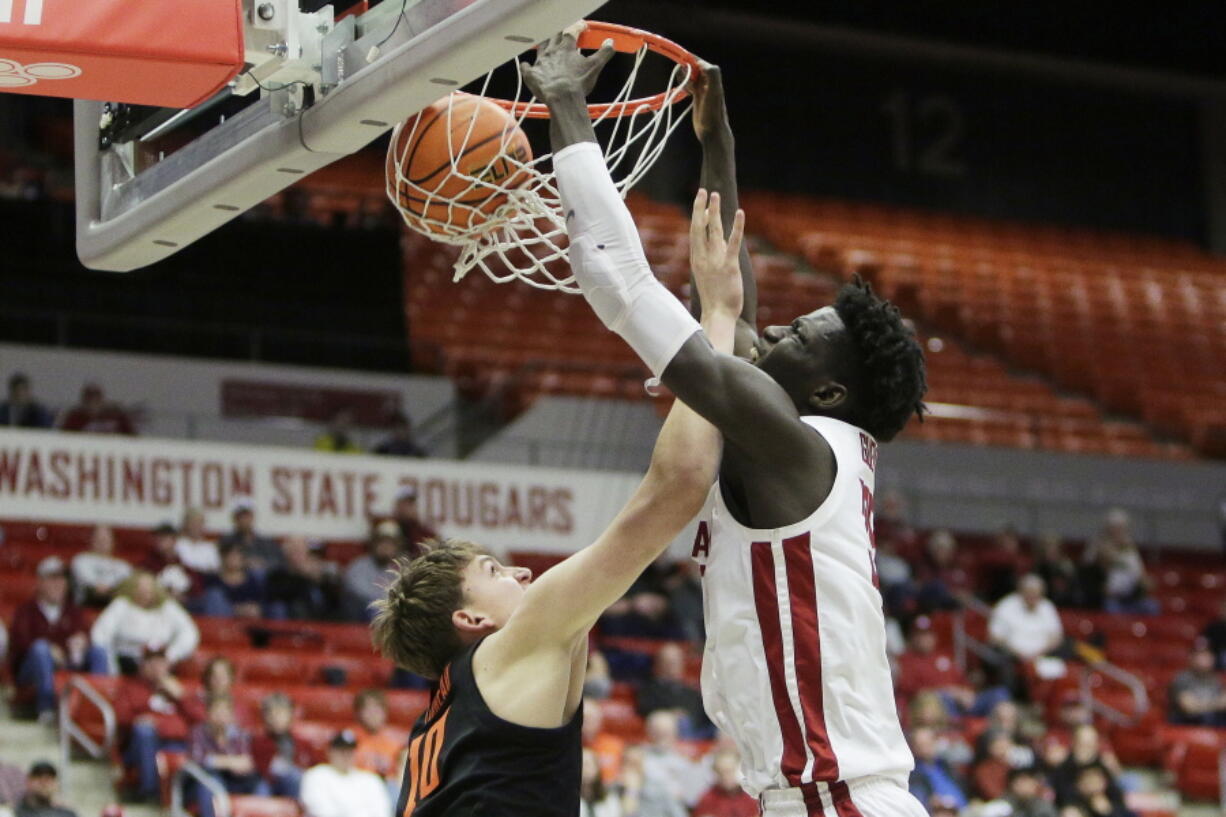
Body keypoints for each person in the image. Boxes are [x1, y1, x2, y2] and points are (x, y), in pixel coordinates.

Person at [526, 30, 927, 816]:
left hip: (834, 801)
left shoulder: (795, 447)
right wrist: (719, 149)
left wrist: (567, 104)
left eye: (798, 338)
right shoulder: (811, 442)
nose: (773, 333)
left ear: (832, 390)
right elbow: (734, 319)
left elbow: (622, 283)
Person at [371, 47, 736, 810]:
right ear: (473, 619)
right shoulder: (514, 647)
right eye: (500, 573)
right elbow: (674, 490)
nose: (526, 576)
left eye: (507, 568)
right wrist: (715, 326)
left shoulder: (439, 729)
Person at [8, 557, 108, 720]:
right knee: (41, 649)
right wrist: (50, 649)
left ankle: (95, 707)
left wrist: (82, 642)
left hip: (68, 664)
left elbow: (86, 636)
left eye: (61, 579)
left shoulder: (74, 611)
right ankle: (46, 709)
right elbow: (19, 646)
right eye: (52, 579)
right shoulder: (26, 610)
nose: (58, 584)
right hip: (32, 670)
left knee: (98, 652)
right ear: (40, 582)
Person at [113, 646, 204, 801]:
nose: (156, 667)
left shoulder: (179, 688)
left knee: (200, 740)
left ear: (168, 665)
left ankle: (187, 797)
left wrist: (180, 696)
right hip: (141, 746)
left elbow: (201, 718)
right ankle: (150, 793)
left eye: (161, 662)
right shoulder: (129, 687)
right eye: (151, 662)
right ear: (142, 665)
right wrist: (138, 719)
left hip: (179, 742)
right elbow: (121, 717)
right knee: (144, 731)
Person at [90, 571, 200, 674]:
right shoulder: (121, 605)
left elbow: (189, 633)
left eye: (149, 588)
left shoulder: (168, 608)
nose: (145, 592)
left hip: (159, 662)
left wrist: (171, 655)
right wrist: (111, 665)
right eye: (141, 588)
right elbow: (100, 634)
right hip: (124, 660)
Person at [188, 695, 265, 817]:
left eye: (225, 711)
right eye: (217, 710)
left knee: (261, 785)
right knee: (211, 782)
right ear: (208, 713)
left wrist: (237, 764)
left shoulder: (239, 734)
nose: (221, 715)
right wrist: (228, 762)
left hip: (235, 780)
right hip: (205, 781)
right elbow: (198, 760)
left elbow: (246, 761)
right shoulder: (198, 732)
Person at [988, 574, 1064, 692]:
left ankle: (1049, 699)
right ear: (1021, 592)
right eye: (1029, 593)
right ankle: (1010, 699)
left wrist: (1039, 653)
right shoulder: (1006, 605)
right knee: (1002, 659)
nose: (1033, 597)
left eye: (1036, 594)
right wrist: (1018, 653)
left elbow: (1056, 636)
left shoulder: (1047, 607)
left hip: (1042, 653)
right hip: (1013, 654)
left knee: (1066, 651)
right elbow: (995, 637)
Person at [300, 731, 390, 817]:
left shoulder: (370, 779)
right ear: (329, 752)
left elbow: (382, 812)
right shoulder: (315, 775)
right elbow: (321, 811)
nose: (346, 756)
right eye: (341, 751)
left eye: (349, 751)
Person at [638, 711, 710, 817]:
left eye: (666, 731)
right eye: (657, 731)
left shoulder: (684, 760)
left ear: (675, 732)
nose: (662, 736)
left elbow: (694, 796)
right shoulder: (639, 757)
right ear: (649, 731)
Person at [635, 642, 711, 739]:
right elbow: (645, 709)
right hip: (668, 731)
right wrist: (671, 713)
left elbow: (702, 715)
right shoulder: (648, 689)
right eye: (669, 662)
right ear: (658, 664)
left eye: (677, 662)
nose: (673, 667)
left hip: (698, 732)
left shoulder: (691, 691)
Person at [250, 693, 313, 799]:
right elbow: (263, 770)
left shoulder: (302, 743)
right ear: (265, 717)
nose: (276, 719)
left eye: (281, 713)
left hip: (297, 785)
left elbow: (313, 767)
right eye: (272, 714)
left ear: (290, 716)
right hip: (269, 785)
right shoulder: (258, 742)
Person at [264, 535, 338, 620]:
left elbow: (332, 599)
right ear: (287, 555)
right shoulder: (278, 574)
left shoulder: (317, 574)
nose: (299, 555)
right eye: (295, 551)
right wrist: (303, 575)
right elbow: (285, 592)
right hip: (295, 618)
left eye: (302, 551)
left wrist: (320, 580)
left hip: (322, 617)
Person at [342, 521, 403, 621]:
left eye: (391, 544)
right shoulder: (358, 566)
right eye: (382, 542)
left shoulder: (397, 571)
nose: (386, 548)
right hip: (359, 619)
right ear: (374, 544)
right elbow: (358, 593)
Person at [906, 727, 967, 813]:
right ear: (914, 747)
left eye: (928, 744)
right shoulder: (913, 773)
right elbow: (922, 799)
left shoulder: (944, 764)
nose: (925, 749)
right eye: (921, 745)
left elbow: (961, 788)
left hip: (964, 809)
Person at [1166, 638, 1226, 726]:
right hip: (1187, 725)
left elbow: (1224, 702)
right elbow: (1188, 707)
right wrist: (1215, 704)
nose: (1205, 659)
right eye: (1200, 655)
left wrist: (1199, 705)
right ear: (1191, 657)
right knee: (1206, 717)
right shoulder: (1182, 678)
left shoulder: (1215, 680)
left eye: (1207, 655)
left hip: (1213, 725)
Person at [70, 525, 132, 607]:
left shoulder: (124, 566)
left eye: (106, 538)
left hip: (116, 607)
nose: (102, 541)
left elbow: (126, 588)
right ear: (91, 540)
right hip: (87, 605)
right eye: (98, 538)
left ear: (113, 541)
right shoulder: (81, 560)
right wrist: (108, 589)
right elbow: (95, 588)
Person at [200, 543, 266, 619]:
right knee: (214, 595)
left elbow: (258, 604)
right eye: (231, 555)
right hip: (221, 619)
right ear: (223, 557)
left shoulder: (252, 581)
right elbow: (211, 604)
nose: (234, 559)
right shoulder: (213, 579)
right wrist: (237, 610)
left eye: (238, 555)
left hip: (247, 621)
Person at [217, 500, 282, 572]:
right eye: (240, 516)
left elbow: (277, 562)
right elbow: (222, 563)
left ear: (252, 517)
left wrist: (262, 563)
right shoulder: (227, 541)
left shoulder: (266, 542)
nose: (244, 520)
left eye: (246, 516)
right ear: (235, 519)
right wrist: (245, 563)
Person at [692, 748, 759, 817]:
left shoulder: (752, 798)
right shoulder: (708, 799)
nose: (726, 776)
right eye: (721, 772)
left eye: (730, 771)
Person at [351, 690, 401, 780]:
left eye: (377, 708)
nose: (373, 714)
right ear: (359, 713)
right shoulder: (350, 738)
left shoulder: (396, 742)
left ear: (385, 712)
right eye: (368, 708)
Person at [57, 383, 136, 435]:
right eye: (90, 398)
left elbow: (132, 437)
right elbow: (63, 437)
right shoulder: (75, 418)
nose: (93, 402)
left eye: (96, 398)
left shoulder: (115, 416)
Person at [582, 698, 624, 785]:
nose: (587, 722)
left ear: (599, 720)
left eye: (591, 718)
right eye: (583, 718)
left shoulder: (615, 745)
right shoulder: (566, 745)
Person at [389, 485, 437, 559]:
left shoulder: (421, 531)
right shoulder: (389, 526)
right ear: (397, 505)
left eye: (411, 503)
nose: (408, 507)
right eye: (405, 503)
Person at [579, 747, 624, 817]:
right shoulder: (568, 799)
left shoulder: (609, 798)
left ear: (596, 768)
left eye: (587, 764)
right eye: (581, 764)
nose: (584, 768)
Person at [175, 508, 220, 575]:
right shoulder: (177, 544)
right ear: (186, 525)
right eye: (193, 523)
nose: (196, 527)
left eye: (199, 523)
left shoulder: (210, 548)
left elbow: (214, 568)